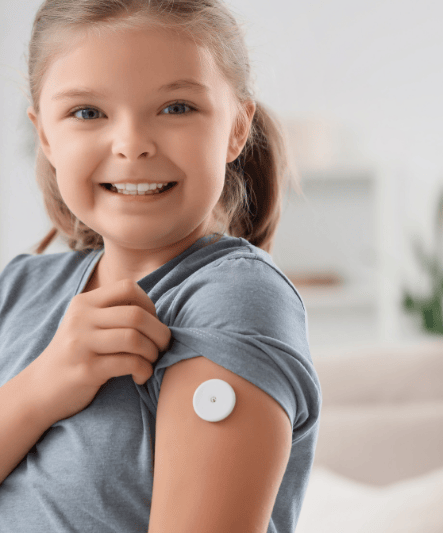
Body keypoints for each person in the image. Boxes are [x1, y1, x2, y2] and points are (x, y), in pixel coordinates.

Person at [0, 1, 321, 531]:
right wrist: (45, 386)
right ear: (45, 135)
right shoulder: (17, 289)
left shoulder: (231, 299)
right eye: (87, 112)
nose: (132, 145)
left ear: (237, 128)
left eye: (176, 107)